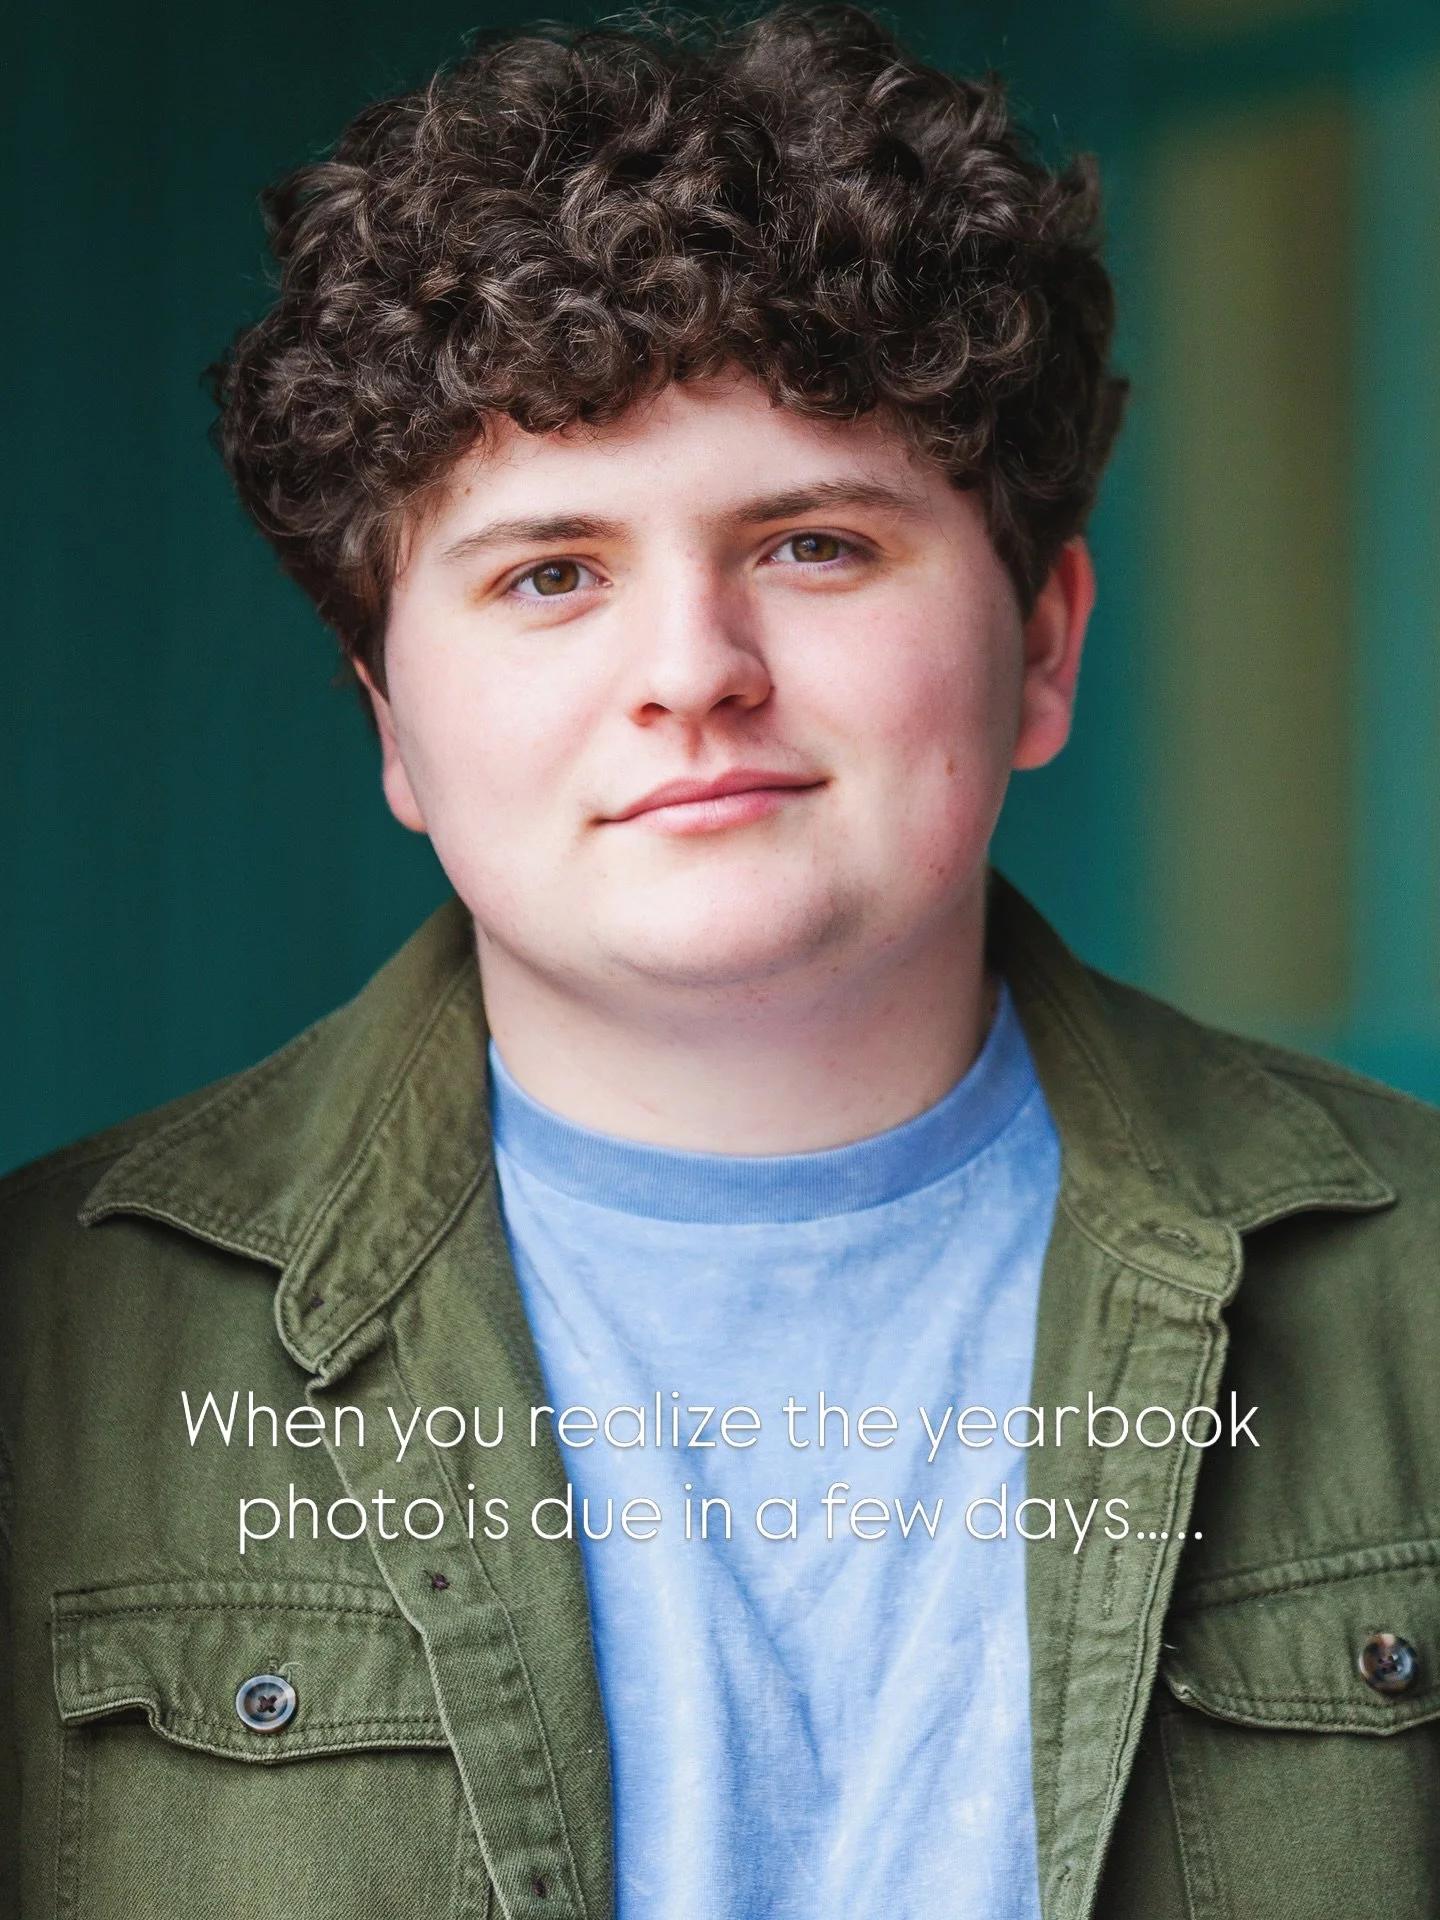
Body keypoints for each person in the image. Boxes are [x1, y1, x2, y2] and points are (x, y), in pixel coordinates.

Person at [3, 9, 1439, 1918]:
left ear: (1048, 646)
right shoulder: (41, 1354)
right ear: (394, 731)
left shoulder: (1418, 1299)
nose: (693, 669)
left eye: (818, 543)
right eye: (550, 572)